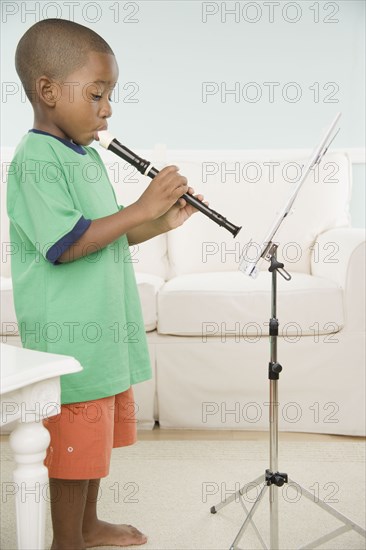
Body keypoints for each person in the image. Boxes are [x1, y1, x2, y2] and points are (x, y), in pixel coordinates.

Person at [7, 18, 204, 550]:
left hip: (103, 331)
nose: (108, 108)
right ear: (48, 91)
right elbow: (68, 244)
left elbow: (106, 234)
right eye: (97, 94)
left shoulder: (87, 157)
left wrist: (159, 221)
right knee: (72, 443)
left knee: (92, 443)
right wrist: (142, 205)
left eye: (110, 95)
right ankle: (66, 539)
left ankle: (88, 525)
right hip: (69, 337)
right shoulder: (34, 162)